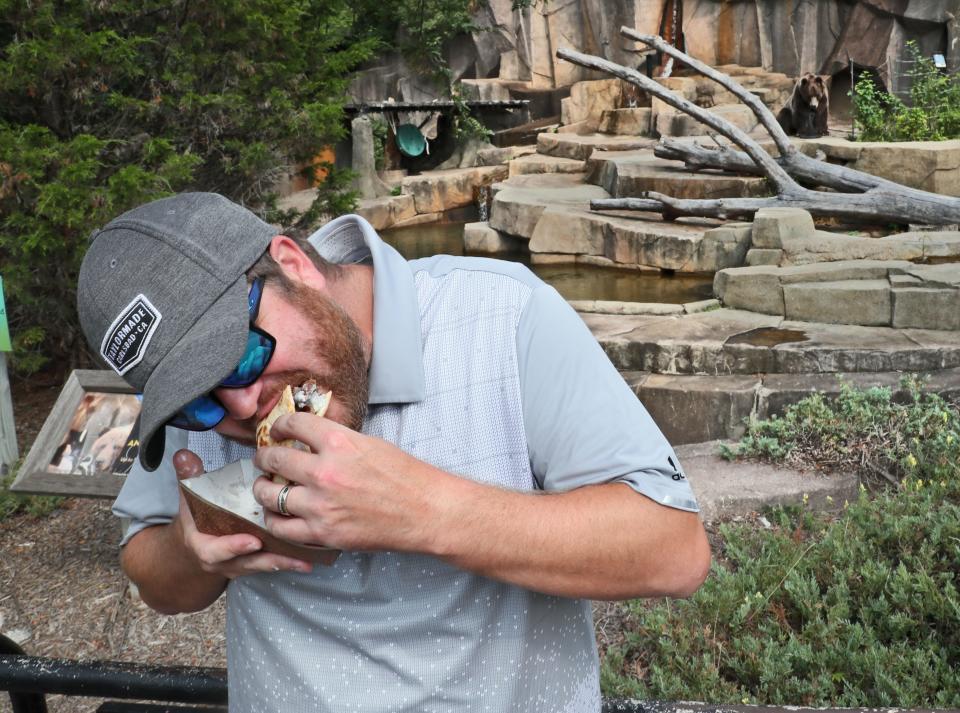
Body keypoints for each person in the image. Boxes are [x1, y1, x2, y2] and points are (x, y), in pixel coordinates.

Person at [77, 192, 710, 713]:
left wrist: (424, 511)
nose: (239, 409)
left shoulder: (499, 316)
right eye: (197, 402)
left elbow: (673, 551)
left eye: (242, 357)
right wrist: (194, 551)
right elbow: (154, 572)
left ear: (293, 263)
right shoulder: (208, 407)